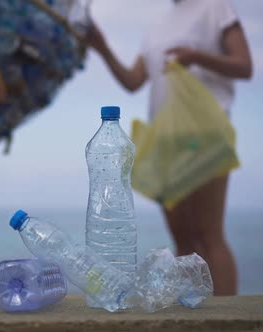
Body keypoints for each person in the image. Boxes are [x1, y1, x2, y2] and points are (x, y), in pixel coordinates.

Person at [86, 0, 253, 296]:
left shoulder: (215, 8)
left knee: (209, 234)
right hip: (164, 140)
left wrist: (197, 57)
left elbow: (244, 66)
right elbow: (133, 80)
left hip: (204, 134)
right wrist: (102, 48)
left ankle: (230, 318)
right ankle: (192, 314)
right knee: (184, 239)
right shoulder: (156, 26)